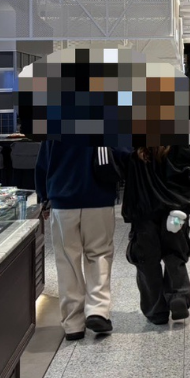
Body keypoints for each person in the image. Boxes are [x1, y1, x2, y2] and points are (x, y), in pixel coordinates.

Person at [36, 140, 119, 340]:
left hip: (62, 199)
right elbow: (121, 153)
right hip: (99, 197)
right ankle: (97, 311)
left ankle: (73, 323)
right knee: (99, 254)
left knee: (67, 260)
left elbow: (43, 163)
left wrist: (44, 198)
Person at [122, 145, 190, 324]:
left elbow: (121, 167)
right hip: (176, 210)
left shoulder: (133, 144)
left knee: (146, 260)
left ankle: (155, 309)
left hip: (144, 211)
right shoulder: (179, 142)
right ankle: (178, 296)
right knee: (175, 253)